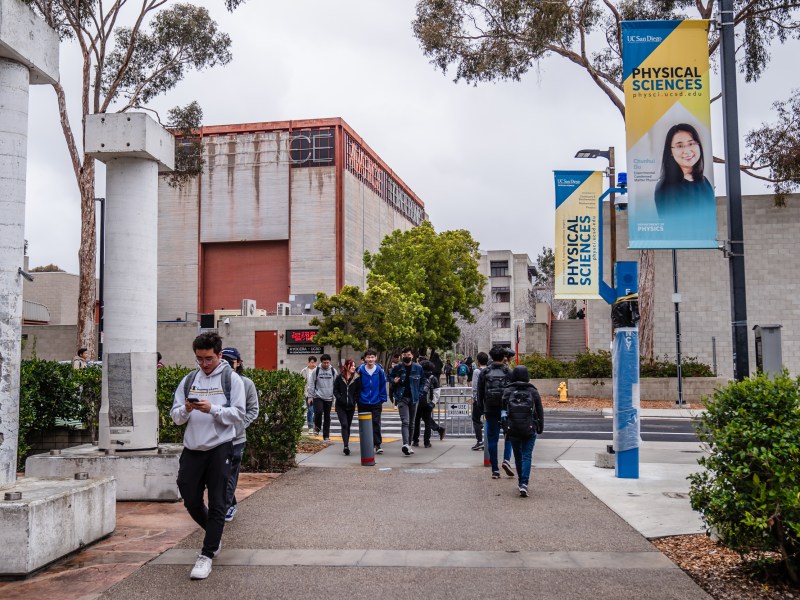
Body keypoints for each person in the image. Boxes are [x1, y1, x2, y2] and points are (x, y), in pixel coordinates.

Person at [170, 332, 245, 580]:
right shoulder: (189, 380)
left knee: (218, 503)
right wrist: (187, 408)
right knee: (189, 497)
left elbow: (238, 414)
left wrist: (212, 409)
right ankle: (215, 534)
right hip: (192, 448)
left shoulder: (230, 379)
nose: (204, 364)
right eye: (199, 359)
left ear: (219, 355)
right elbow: (176, 417)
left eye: (209, 359)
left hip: (220, 447)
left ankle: (207, 553)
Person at [220, 347, 259, 522]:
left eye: (231, 361)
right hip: (216, 440)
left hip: (236, 439)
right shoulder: (214, 382)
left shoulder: (246, 384)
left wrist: (240, 426)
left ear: (238, 363)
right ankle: (230, 503)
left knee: (230, 475)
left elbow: (253, 409)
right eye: (224, 360)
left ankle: (225, 508)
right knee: (218, 476)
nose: (227, 365)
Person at [501, 365, 544, 497]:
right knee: (527, 455)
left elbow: (503, 412)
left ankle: (520, 482)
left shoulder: (508, 391)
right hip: (529, 427)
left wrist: (504, 427)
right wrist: (540, 426)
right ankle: (524, 483)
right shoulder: (533, 391)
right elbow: (539, 410)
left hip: (513, 428)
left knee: (518, 456)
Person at [654, 123, 714, 217]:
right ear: (670, 152)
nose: (687, 151)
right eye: (680, 146)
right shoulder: (665, 187)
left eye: (691, 143)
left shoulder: (704, 181)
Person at [477, 346, 514, 479]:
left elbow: (479, 393)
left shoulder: (485, 372)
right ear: (504, 357)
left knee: (492, 438)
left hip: (490, 408)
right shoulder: (509, 372)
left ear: (491, 357)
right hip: (506, 409)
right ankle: (506, 460)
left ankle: (495, 469)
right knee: (508, 436)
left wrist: (482, 409)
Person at [390, 347, 425, 456]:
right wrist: (394, 380)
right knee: (405, 421)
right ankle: (405, 444)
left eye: (408, 355)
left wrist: (419, 394)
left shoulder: (418, 368)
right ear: (401, 356)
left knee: (412, 423)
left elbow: (423, 382)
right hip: (402, 398)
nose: (406, 357)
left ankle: (409, 445)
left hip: (414, 398)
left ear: (412, 356)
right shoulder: (398, 367)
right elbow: (390, 377)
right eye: (404, 355)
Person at [356, 348, 387, 454]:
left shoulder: (379, 371)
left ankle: (377, 444)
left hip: (376, 401)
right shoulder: (360, 370)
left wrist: (382, 398)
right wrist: (358, 398)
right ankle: (365, 444)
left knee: (376, 423)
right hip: (363, 401)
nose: (370, 359)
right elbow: (356, 385)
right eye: (368, 357)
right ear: (365, 358)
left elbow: (383, 385)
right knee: (363, 424)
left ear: (376, 358)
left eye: (372, 357)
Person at [413, 360, 445, 448]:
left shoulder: (417, 376)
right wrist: (433, 402)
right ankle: (426, 442)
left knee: (416, 422)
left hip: (417, 402)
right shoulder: (433, 378)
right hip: (428, 403)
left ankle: (415, 440)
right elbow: (437, 392)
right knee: (427, 422)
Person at [333, 359, 360, 456]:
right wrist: (340, 398)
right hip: (340, 406)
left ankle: (346, 444)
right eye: (351, 365)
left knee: (348, 425)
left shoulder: (357, 378)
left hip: (351, 406)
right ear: (347, 366)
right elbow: (335, 390)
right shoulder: (340, 377)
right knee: (344, 424)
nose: (353, 367)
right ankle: (345, 446)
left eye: (354, 366)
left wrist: (354, 400)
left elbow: (358, 391)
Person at [312, 354, 337, 441]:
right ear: (321, 362)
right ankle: (317, 427)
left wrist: (335, 397)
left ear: (329, 362)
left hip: (329, 397)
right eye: (324, 363)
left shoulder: (333, 371)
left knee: (327, 416)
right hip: (318, 396)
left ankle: (326, 436)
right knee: (318, 412)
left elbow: (336, 385)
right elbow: (312, 384)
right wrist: (310, 397)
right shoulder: (316, 371)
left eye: (327, 362)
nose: (326, 364)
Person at [470, 351, 489, 450]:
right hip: (489, 400)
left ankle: (480, 441)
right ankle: (488, 441)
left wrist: (474, 398)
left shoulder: (477, 371)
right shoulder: (490, 370)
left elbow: (475, 387)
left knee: (476, 419)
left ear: (478, 361)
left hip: (479, 399)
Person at [300, 357, 317, 432]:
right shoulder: (304, 371)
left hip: (317, 394)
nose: (313, 364)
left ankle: (315, 424)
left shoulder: (319, 370)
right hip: (308, 394)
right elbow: (301, 382)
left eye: (314, 362)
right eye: (311, 362)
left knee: (317, 411)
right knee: (310, 410)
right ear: (308, 362)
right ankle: (310, 426)